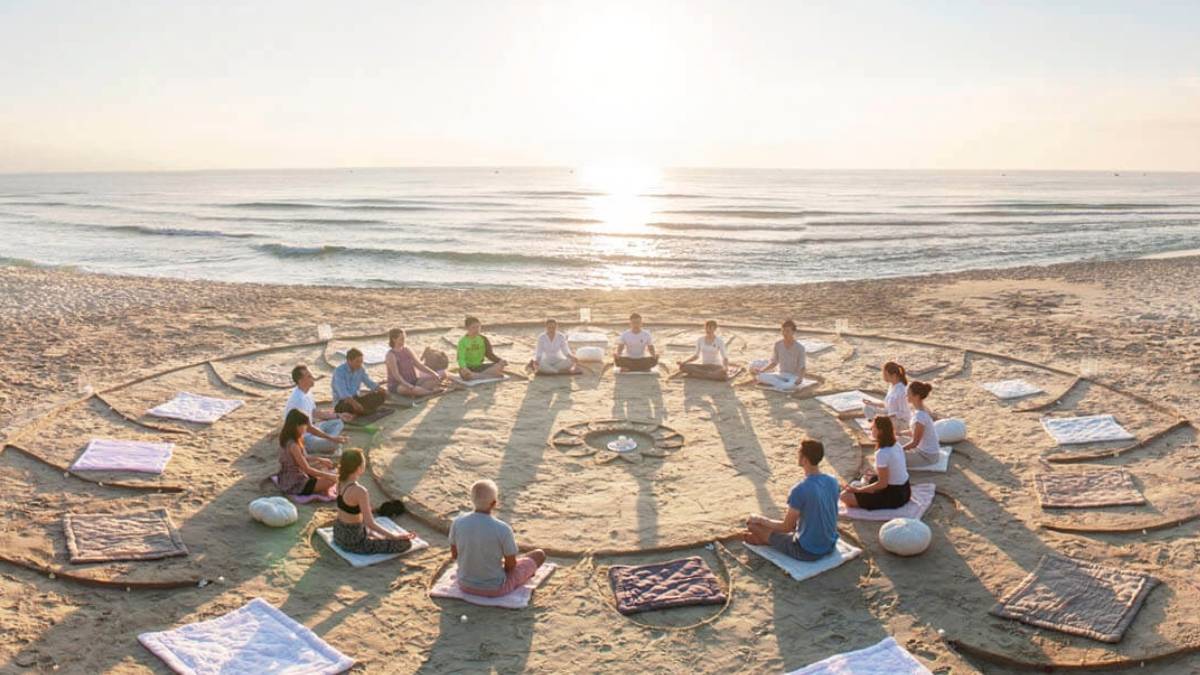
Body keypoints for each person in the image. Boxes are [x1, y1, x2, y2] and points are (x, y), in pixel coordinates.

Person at [744, 439, 840, 560]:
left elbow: (786, 527)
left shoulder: (800, 489)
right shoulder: (832, 480)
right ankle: (768, 539)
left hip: (807, 550)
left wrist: (761, 520)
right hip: (830, 543)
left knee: (753, 525)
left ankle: (767, 541)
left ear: (804, 459)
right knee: (782, 525)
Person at [449, 479, 546, 597]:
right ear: (494, 503)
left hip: (464, 585)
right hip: (495, 588)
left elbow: (455, 555)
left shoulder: (457, 522)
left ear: (472, 500)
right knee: (538, 555)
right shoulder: (503, 529)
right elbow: (511, 566)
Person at [333, 449, 417, 554]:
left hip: (338, 533)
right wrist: (394, 537)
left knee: (371, 531)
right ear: (359, 468)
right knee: (405, 543)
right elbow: (370, 523)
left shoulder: (340, 481)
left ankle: (371, 536)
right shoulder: (360, 491)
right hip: (353, 541)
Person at [840, 416, 912, 510]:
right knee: (871, 478)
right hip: (906, 489)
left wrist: (858, 490)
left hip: (895, 496)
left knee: (844, 496)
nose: (870, 428)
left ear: (880, 431)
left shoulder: (882, 453)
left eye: (873, 427)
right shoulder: (896, 444)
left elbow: (883, 484)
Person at [283, 365, 350, 454]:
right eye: (309, 376)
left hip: (311, 428)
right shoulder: (299, 400)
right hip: (303, 437)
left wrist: (338, 415)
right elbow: (309, 428)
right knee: (335, 444)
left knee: (338, 422)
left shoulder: (307, 392)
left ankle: (326, 441)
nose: (313, 378)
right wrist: (332, 438)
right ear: (300, 381)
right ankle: (327, 442)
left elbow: (314, 412)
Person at [276, 409, 337, 497]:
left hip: (286, 477)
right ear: (297, 426)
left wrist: (320, 459)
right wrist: (329, 476)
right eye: (305, 426)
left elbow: (303, 457)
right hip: (295, 483)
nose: (306, 429)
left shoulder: (286, 439)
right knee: (331, 480)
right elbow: (307, 469)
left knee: (325, 465)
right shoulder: (293, 445)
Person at [385, 327, 445, 397]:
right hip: (398, 384)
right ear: (394, 339)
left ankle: (421, 391)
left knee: (439, 376)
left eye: (404, 338)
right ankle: (429, 392)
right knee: (410, 389)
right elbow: (396, 375)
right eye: (401, 339)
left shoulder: (407, 349)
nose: (404, 341)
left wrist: (433, 373)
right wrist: (407, 385)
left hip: (414, 381)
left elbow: (419, 365)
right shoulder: (391, 355)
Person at [750, 319, 807, 390]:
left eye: (787, 331)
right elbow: (774, 362)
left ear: (793, 332)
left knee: (788, 386)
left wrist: (800, 378)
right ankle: (780, 384)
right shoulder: (778, 344)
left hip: (793, 376)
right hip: (780, 374)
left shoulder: (800, 348)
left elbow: (802, 367)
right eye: (783, 330)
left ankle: (779, 385)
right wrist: (762, 371)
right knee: (760, 376)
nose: (784, 333)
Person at [331, 348, 387, 416]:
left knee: (380, 396)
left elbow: (369, 382)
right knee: (348, 407)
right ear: (349, 361)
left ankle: (362, 411)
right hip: (343, 402)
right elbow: (343, 393)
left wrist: (380, 389)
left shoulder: (360, 369)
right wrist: (354, 403)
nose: (360, 364)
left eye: (361, 361)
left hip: (356, 398)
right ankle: (363, 411)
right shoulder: (339, 372)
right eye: (357, 361)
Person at [902, 381, 941, 466]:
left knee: (892, 457)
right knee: (894, 439)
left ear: (916, 396)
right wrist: (899, 433)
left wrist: (899, 450)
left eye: (908, 394)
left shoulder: (920, 416)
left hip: (927, 456)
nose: (906, 396)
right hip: (920, 449)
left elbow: (915, 442)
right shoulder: (918, 410)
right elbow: (914, 431)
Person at [456, 316, 507, 381]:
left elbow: (489, 354)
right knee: (464, 373)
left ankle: (479, 376)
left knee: (500, 365)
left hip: (480, 366)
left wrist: (500, 361)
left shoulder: (483, 339)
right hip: (468, 368)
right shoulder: (462, 342)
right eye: (473, 327)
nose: (476, 330)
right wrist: (464, 368)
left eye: (478, 327)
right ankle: (487, 376)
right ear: (467, 328)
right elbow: (460, 358)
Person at [864, 361, 910, 430]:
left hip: (900, 421)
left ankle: (876, 427)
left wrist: (888, 416)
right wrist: (871, 403)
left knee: (882, 422)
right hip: (889, 413)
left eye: (885, 374)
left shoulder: (902, 391)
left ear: (894, 375)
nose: (883, 377)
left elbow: (903, 413)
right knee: (868, 407)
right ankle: (874, 425)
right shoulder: (892, 385)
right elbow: (886, 404)